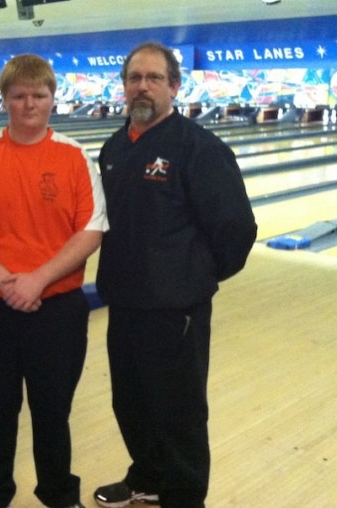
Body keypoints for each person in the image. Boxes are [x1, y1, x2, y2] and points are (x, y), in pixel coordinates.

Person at [93, 41, 257, 508]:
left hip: (174, 309)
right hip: (124, 303)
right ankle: (147, 478)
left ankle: (184, 497)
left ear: (174, 86)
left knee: (179, 412)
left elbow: (236, 229)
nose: (142, 87)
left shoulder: (200, 149)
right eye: (134, 78)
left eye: (154, 78)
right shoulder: (115, 145)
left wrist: (191, 278)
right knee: (131, 403)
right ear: (124, 86)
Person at [0, 53, 108, 508]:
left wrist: (36, 280)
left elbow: (91, 230)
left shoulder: (75, 156)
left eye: (38, 95)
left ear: (52, 99)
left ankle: (59, 495)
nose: (29, 104)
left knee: (52, 412)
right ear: (4, 100)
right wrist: (7, 281)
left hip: (56, 310)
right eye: (19, 95)